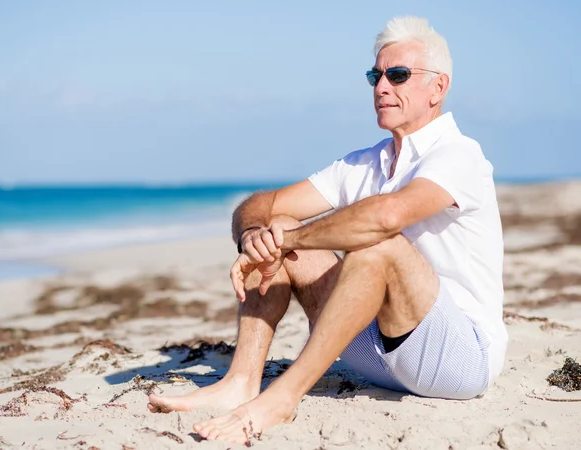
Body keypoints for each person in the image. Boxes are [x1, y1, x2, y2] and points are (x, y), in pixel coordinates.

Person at [147, 16, 508, 444]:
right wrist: (253, 236)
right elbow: (261, 205)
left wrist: (290, 240)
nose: (381, 87)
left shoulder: (459, 154)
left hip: (456, 361)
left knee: (377, 246)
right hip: (378, 356)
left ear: (438, 87)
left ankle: (282, 399)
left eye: (398, 75)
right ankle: (241, 382)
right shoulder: (364, 163)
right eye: (376, 75)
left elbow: (386, 217)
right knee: (274, 224)